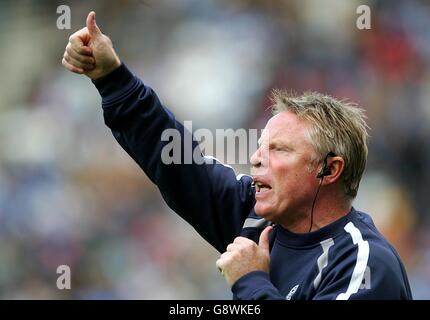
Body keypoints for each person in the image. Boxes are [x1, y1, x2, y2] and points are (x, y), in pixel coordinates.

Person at [62, 11, 412, 300]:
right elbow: (178, 162)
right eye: (260, 147)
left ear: (330, 169)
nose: (257, 159)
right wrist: (111, 78)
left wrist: (251, 282)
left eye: (280, 150)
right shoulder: (258, 219)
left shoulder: (362, 262)